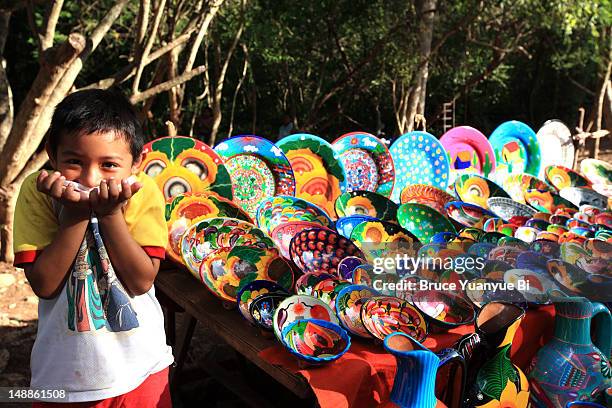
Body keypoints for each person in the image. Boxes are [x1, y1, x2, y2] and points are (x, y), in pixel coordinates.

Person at [13, 89, 173, 406]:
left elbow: (141, 281)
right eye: (74, 161)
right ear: (51, 153)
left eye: (109, 165)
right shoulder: (38, 191)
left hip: (140, 369)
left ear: (136, 162)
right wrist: (74, 214)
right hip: (62, 375)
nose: (90, 178)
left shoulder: (142, 192)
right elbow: (44, 284)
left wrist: (111, 213)